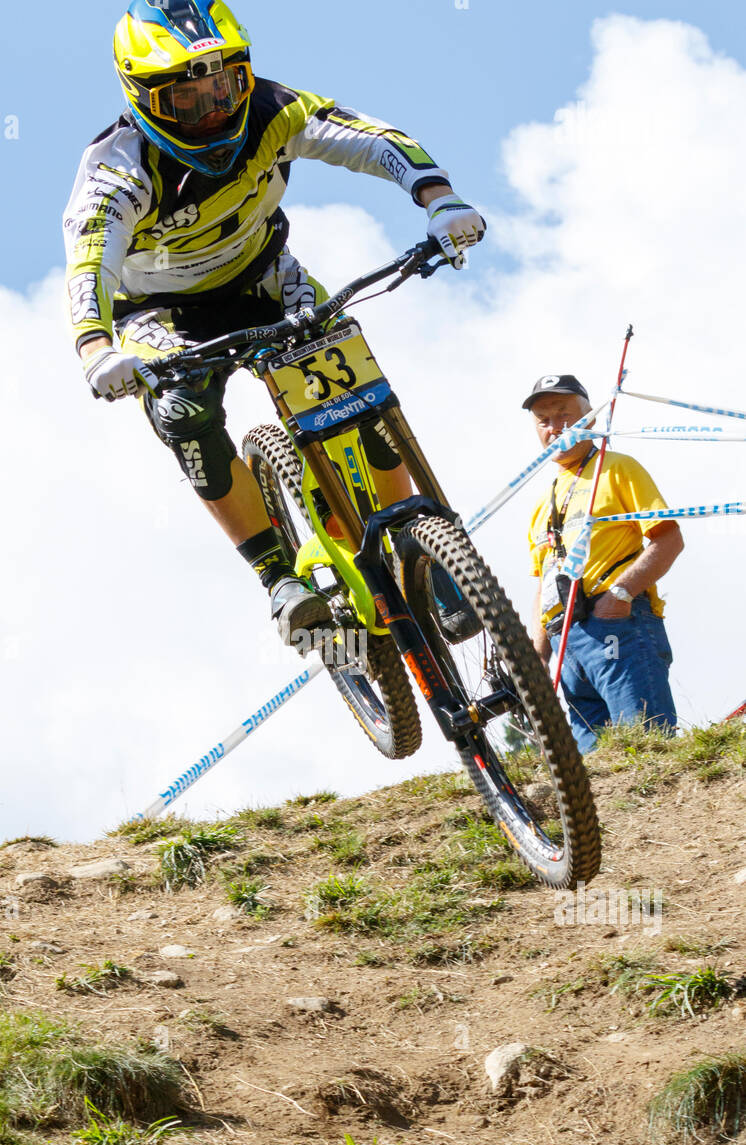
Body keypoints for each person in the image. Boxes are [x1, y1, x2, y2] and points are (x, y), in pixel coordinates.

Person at [63, 0, 485, 647]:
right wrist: (96, 349)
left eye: (224, 86)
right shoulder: (118, 169)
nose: (213, 111)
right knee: (183, 414)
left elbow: (370, 139)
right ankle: (277, 578)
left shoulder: (274, 109)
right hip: (163, 314)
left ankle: (408, 534)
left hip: (263, 275)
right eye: (188, 99)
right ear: (143, 98)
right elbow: (89, 259)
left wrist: (439, 198)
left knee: (350, 378)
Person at [525, 374, 684, 753]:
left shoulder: (616, 468)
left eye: (565, 415)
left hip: (619, 626)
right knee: (597, 774)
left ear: (590, 419)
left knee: (646, 752)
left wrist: (619, 595)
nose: (554, 428)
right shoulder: (540, 506)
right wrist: (538, 656)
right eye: (543, 420)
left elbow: (669, 539)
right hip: (568, 644)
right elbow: (544, 582)